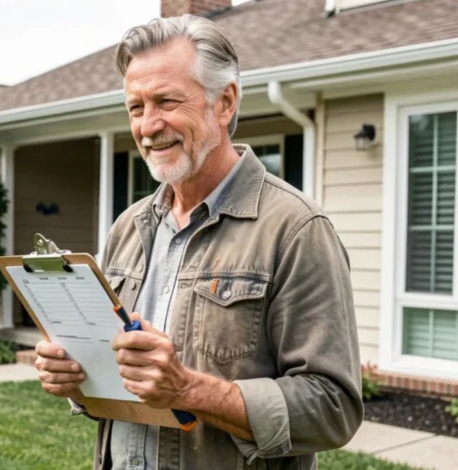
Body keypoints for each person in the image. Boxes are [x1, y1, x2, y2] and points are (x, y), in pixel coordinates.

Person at [34, 14, 363, 470]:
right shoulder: (128, 227)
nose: (148, 126)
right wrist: (78, 378)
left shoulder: (295, 230)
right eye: (135, 108)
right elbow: (122, 388)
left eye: (166, 101)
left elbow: (333, 408)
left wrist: (189, 390)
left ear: (224, 102)